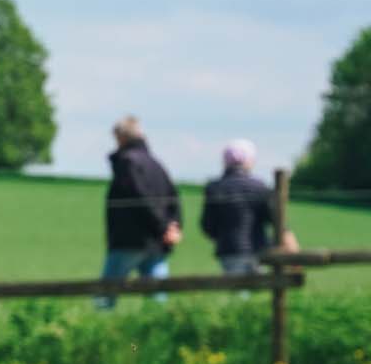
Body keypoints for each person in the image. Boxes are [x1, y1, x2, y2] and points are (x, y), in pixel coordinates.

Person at [98, 115, 181, 307]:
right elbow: (173, 197)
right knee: (157, 298)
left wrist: (161, 227)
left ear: (121, 138)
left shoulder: (127, 163)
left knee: (106, 296)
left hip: (130, 239)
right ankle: (159, 332)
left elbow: (140, 197)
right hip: (157, 243)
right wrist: (173, 227)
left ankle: (98, 333)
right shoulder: (156, 164)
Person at [200, 139, 294, 275]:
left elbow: (207, 226)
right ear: (249, 161)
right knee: (256, 289)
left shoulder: (214, 188)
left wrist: (222, 236)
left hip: (228, 250)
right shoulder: (259, 187)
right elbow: (275, 220)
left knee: (235, 290)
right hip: (258, 249)